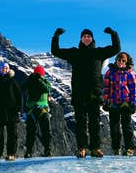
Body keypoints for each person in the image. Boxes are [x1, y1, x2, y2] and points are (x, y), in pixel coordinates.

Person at [51, 27, 120, 158]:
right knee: (80, 123)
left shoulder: (99, 52)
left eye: (89, 36)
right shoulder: (74, 53)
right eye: (84, 36)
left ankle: (95, 148)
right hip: (79, 93)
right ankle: (81, 148)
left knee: (95, 122)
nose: (86, 38)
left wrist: (113, 34)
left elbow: (116, 49)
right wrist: (56, 36)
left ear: (92, 39)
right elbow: (55, 51)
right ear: (81, 39)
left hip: (95, 93)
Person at [103, 52, 136, 156]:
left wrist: (133, 104)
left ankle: (129, 148)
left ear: (126, 62)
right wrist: (106, 101)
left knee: (127, 127)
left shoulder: (130, 74)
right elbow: (106, 88)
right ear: (116, 60)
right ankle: (116, 149)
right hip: (113, 104)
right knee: (114, 128)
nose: (121, 62)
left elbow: (133, 89)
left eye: (123, 61)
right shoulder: (109, 72)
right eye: (119, 60)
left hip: (126, 104)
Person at [0, 62, 21, 162]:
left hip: (12, 112)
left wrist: (18, 109)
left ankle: (11, 154)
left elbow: (19, 96)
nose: (4, 70)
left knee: (12, 134)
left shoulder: (13, 82)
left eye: (6, 68)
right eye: (3, 68)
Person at [21, 65, 52, 158]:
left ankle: (29, 151)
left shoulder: (30, 80)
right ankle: (47, 150)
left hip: (31, 109)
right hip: (42, 109)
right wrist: (39, 79)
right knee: (46, 130)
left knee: (31, 132)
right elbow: (46, 89)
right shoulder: (44, 81)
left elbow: (22, 88)